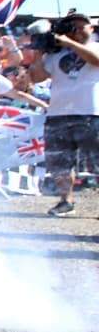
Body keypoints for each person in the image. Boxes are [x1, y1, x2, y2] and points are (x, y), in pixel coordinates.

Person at [29, 12, 99, 217]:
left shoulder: (95, 47)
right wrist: (38, 52)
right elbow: (37, 77)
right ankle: (65, 201)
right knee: (59, 162)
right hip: (58, 114)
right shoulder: (55, 54)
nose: (77, 31)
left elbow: (96, 60)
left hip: (91, 113)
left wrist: (68, 43)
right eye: (72, 27)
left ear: (91, 28)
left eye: (81, 27)